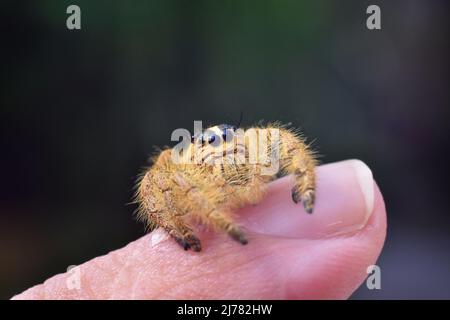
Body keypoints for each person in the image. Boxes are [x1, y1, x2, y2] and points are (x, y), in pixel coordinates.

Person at [12, 160, 386, 299]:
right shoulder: (181, 173)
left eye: (223, 140)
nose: (218, 149)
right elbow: (157, 189)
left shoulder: (243, 148)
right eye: (208, 144)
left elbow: (280, 140)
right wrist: (221, 227)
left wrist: (304, 184)